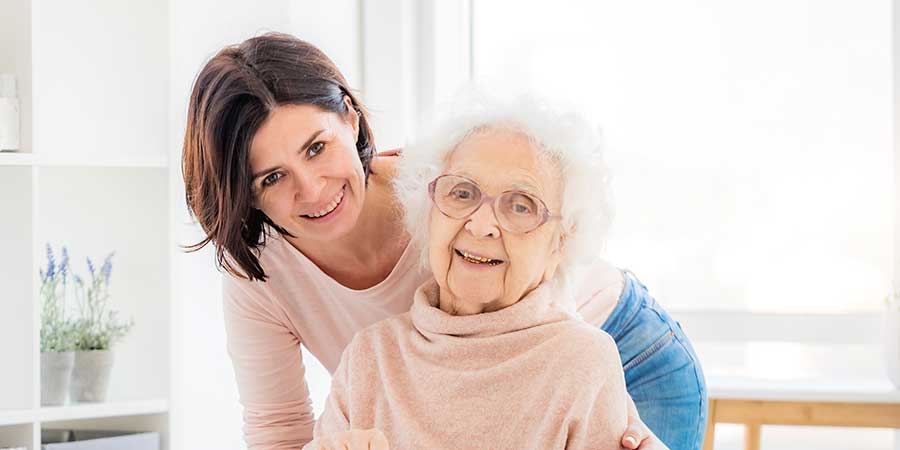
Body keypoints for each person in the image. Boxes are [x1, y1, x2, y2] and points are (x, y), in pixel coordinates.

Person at [182, 32, 707, 450]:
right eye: (271, 178)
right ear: (244, 196)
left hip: (615, 341)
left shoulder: (449, 195)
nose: (313, 189)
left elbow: (547, 352)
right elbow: (280, 433)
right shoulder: (279, 289)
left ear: (350, 115)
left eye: (317, 148)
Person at [304, 97, 629, 450]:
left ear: (560, 244)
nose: (481, 224)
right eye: (462, 192)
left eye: (521, 205)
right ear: (429, 213)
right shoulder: (369, 356)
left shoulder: (582, 362)